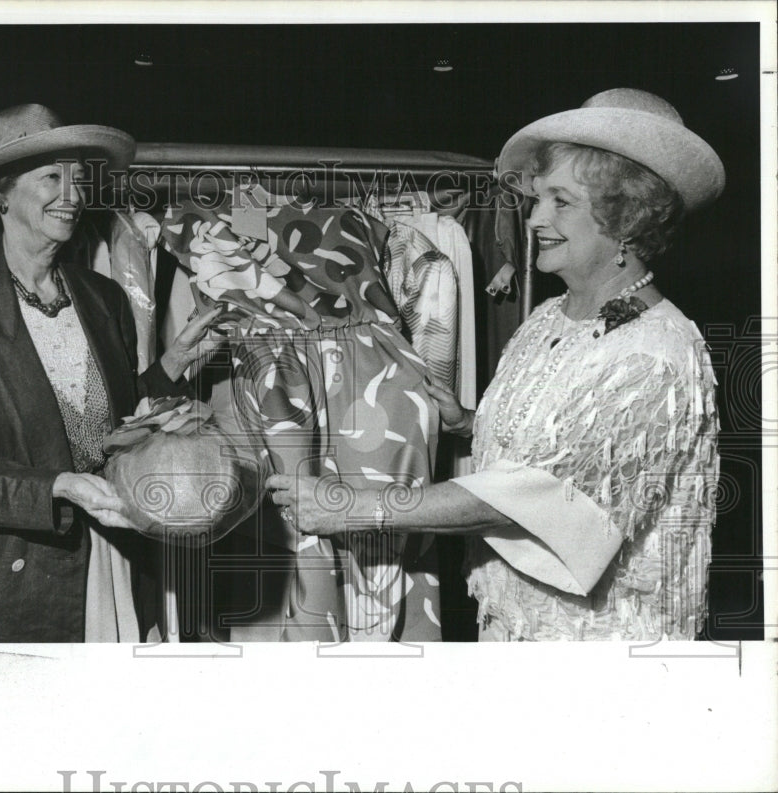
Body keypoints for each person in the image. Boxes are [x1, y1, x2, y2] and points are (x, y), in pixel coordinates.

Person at [269, 88, 723, 641]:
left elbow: (542, 498)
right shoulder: (551, 317)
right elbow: (556, 445)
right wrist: (469, 424)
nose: (534, 220)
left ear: (625, 219)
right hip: (512, 625)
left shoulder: (655, 354)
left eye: (562, 201)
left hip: (595, 647)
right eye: (537, 199)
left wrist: (352, 507)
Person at [0, 104, 221, 642]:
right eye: (52, 177)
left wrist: (172, 364)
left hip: (110, 558)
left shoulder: (103, 298)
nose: (72, 193)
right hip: (12, 580)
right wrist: (60, 487)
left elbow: (112, 421)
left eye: (78, 177)